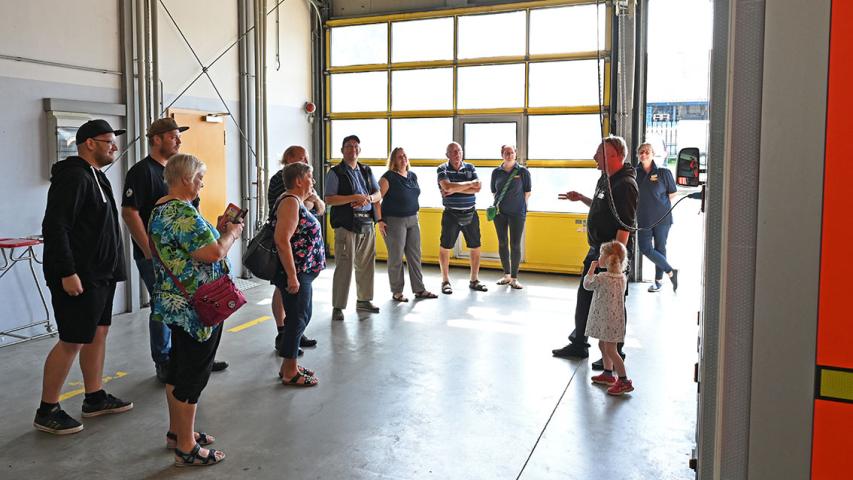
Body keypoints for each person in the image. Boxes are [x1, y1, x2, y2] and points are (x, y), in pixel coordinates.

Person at [35, 119, 133, 435]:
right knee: (72, 339)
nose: (114, 147)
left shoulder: (97, 177)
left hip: (101, 274)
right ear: (89, 143)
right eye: (108, 141)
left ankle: (94, 396)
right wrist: (67, 272)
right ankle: (47, 409)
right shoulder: (73, 178)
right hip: (78, 276)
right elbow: (55, 227)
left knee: (98, 333)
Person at [149, 153, 242, 466]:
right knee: (193, 374)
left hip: (175, 303)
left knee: (178, 368)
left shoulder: (162, 208)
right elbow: (214, 253)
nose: (203, 183)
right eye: (200, 177)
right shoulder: (181, 212)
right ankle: (186, 448)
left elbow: (192, 247)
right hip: (197, 307)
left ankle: (178, 432)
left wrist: (214, 228)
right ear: (187, 179)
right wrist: (231, 234)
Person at [122, 117, 228, 382]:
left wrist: (212, 231)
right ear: (156, 139)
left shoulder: (180, 170)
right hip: (158, 256)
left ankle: (197, 352)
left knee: (195, 302)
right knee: (165, 304)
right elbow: (129, 212)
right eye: (172, 136)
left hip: (190, 257)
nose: (178, 140)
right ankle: (164, 360)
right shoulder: (142, 171)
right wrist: (149, 250)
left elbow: (193, 213)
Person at [552, 135, 638, 367]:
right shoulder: (605, 179)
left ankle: (614, 353)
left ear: (614, 156)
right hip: (596, 252)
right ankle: (579, 343)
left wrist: (613, 265)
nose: (594, 157)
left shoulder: (625, 185)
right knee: (585, 296)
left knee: (613, 304)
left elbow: (625, 227)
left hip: (612, 257)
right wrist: (581, 199)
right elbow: (602, 207)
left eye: (599, 153)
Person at [273, 162, 326, 386]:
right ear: (298, 180)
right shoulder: (289, 202)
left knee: (301, 317)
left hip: (303, 271)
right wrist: (292, 276)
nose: (313, 181)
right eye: (310, 177)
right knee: (297, 319)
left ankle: (289, 365)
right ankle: (289, 372)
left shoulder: (296, 201)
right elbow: (282, 240)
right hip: (296, 271)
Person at [324, 135, 381, 321]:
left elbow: (378, 193)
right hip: (346, 224)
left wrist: (368, 199)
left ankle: (364, 300)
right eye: (348, 146)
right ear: (342, 150)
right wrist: (354, 197)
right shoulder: (335, 172)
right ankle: (338, 306)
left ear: (360, 150)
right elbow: (329, 199)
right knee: (345, 265)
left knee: (366, 263)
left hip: (366, 223)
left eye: (356, 146)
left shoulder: (366, 170)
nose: (353, 149)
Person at [376, 147, 437, 302]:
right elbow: (376, 200)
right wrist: (380, 221)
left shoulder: (412, 176)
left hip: (412, 219)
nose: (403, 158)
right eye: (399, 157)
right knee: (396, 257)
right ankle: (397, 291)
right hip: (394, 221)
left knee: (415, 255)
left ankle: (419, 289)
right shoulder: (387, 177)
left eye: (404, 155)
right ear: (394, 160)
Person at [437, 142, 488, 294]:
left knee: (475, 245)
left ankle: (474, 279)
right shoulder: (442, 169)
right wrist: (468, 185)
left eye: (459, 151)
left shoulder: (470, 167)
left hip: (471, 213)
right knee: (445, 247)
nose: (457, 154)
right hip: (451, 214)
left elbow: (478, 187)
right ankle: (445, 281)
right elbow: (447, 187)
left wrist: (456, 188)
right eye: (453, 152)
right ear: (447, 155)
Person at [585, 241, 635, 395]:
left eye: (601, 255)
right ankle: (608, 374)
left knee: (611, 350)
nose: (599, 257)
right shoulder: (621, 277)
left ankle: (624, 380)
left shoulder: (601, 276)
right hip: (614, 319)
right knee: (603, 345)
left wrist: (591, 270)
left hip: (608, 320)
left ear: (607, 259)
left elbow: (587, 285)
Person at [636, 142, 678, 292]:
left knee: (660, 248)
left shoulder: (663, 173)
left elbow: (672, 193)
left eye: (647, 151)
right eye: (641, 152)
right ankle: (670, 270)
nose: (644, 154)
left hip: (662, 219)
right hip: (643, 219)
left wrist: (658, 204)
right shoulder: (635, 173)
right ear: (638, 155)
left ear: (653, 154)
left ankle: (658, 281)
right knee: (645, 248)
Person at [489, 145, 532, 289]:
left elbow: (527, 192)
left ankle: (514, 278)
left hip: (517, 213)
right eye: (506, 153)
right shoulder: (496, 172)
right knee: (502, 243)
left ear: (515, 153)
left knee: (515, 244)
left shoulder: (523, 171)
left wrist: (523, 208)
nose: (509, 155)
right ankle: (506, 275)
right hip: (500, 213)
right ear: (502, 154)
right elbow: (494, 192)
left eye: (512, 152)